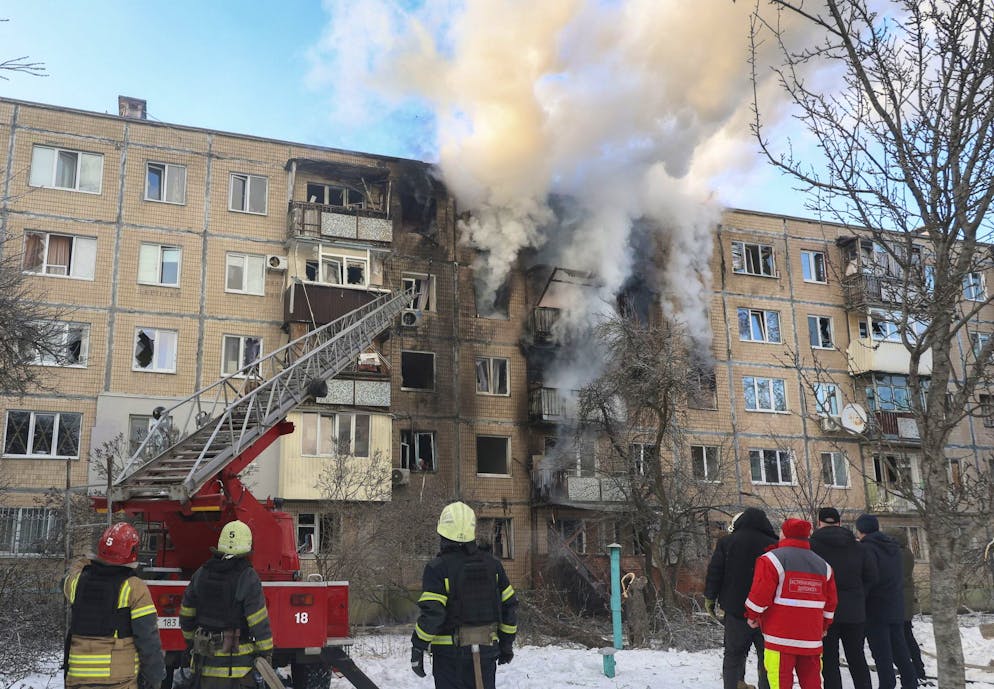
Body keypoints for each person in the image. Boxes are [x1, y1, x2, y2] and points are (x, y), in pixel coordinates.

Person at [410, 501, 518, 689]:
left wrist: (418, 646)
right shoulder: (493, 566)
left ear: (442, 532)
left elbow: (433, 614)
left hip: (450, 658)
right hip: (486, 653)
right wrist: (506, 643)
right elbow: (509, 606)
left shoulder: (438, 569)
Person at [63, 522, 165, 689]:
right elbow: (147, 637)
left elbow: (69, 575)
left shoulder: (76, 582)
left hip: (78, 679)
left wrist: (87, 560)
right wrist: (155, 677)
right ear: (133, 552)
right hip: (119, 681)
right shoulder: (134, 587)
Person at [744, 518, 837, 689]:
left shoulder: (771, 560)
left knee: (780, 682)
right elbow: (830, 603)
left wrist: (752, 615)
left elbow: (760, 595)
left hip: (780, 638)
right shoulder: (824, 566)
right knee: (812, 683)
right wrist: (824, 626)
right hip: (811, 638)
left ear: (784, 534)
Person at [179, 520, 273, 688]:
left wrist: (192, 641)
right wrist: (266, 650)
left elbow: (187, 612)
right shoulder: (248, 576)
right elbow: (258, 619)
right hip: (237, 672)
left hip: (203, 667)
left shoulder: (202, 573)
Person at [704, 507, 779, 689]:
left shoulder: (727, 542)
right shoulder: (775, 545)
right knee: (766, 656)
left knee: (733, 655)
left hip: (735, 610)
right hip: (767, 612)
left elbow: (715, 572)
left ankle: (734, 685)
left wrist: (710, 598)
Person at [810, 507, 877, 689]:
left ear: (819, 523)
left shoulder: (811, 547)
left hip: (824, 612)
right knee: (857, 657)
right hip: (854, 611)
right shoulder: (858, 547)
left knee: (829, 660)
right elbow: (872, 576)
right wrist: (859, 594)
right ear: (839, 523)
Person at [855, 514, 917, 689]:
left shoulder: (866, 549)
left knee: (882, 656)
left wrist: (861, 595)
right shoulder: (894, 548)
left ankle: (887, 685)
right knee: (900, 652)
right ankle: (910, 683)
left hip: (875, 609)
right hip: (895, 606)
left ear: (861, 530)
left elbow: (869, 577)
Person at [886, 529, 926, 683]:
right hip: (905, 602)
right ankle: (917, 668)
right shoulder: (907, 553)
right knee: (907, 636)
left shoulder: (898, 555)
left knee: (903, 638)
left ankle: (915, 670)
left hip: (899, 602)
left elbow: (895, 577)